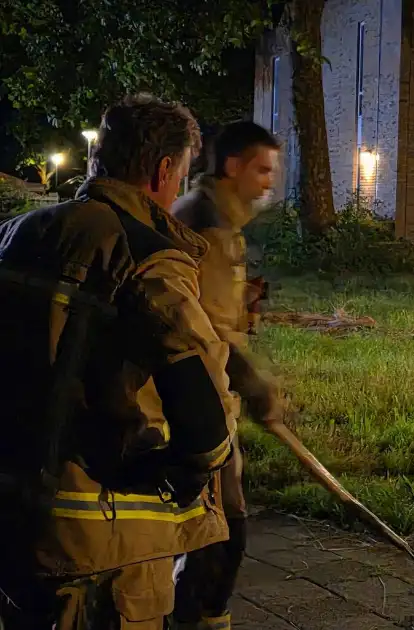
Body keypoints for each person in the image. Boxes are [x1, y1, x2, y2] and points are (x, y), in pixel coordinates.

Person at [0, 94, 237, 629]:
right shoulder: (145, 256)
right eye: (181, 175)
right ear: (162, 169)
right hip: (99, 547)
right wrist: (194, 466)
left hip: (15, 524)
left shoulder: (15, 236)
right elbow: (203, 421)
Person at [170, 120, 285, 630]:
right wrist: (256, 388)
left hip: (197, 399)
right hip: (203, 404)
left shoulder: (209, 217)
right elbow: (207, 337)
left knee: (206, 528)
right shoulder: (209, 228)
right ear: (232, 166)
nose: (268, 183)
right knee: (223, 531)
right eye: (262, 169)